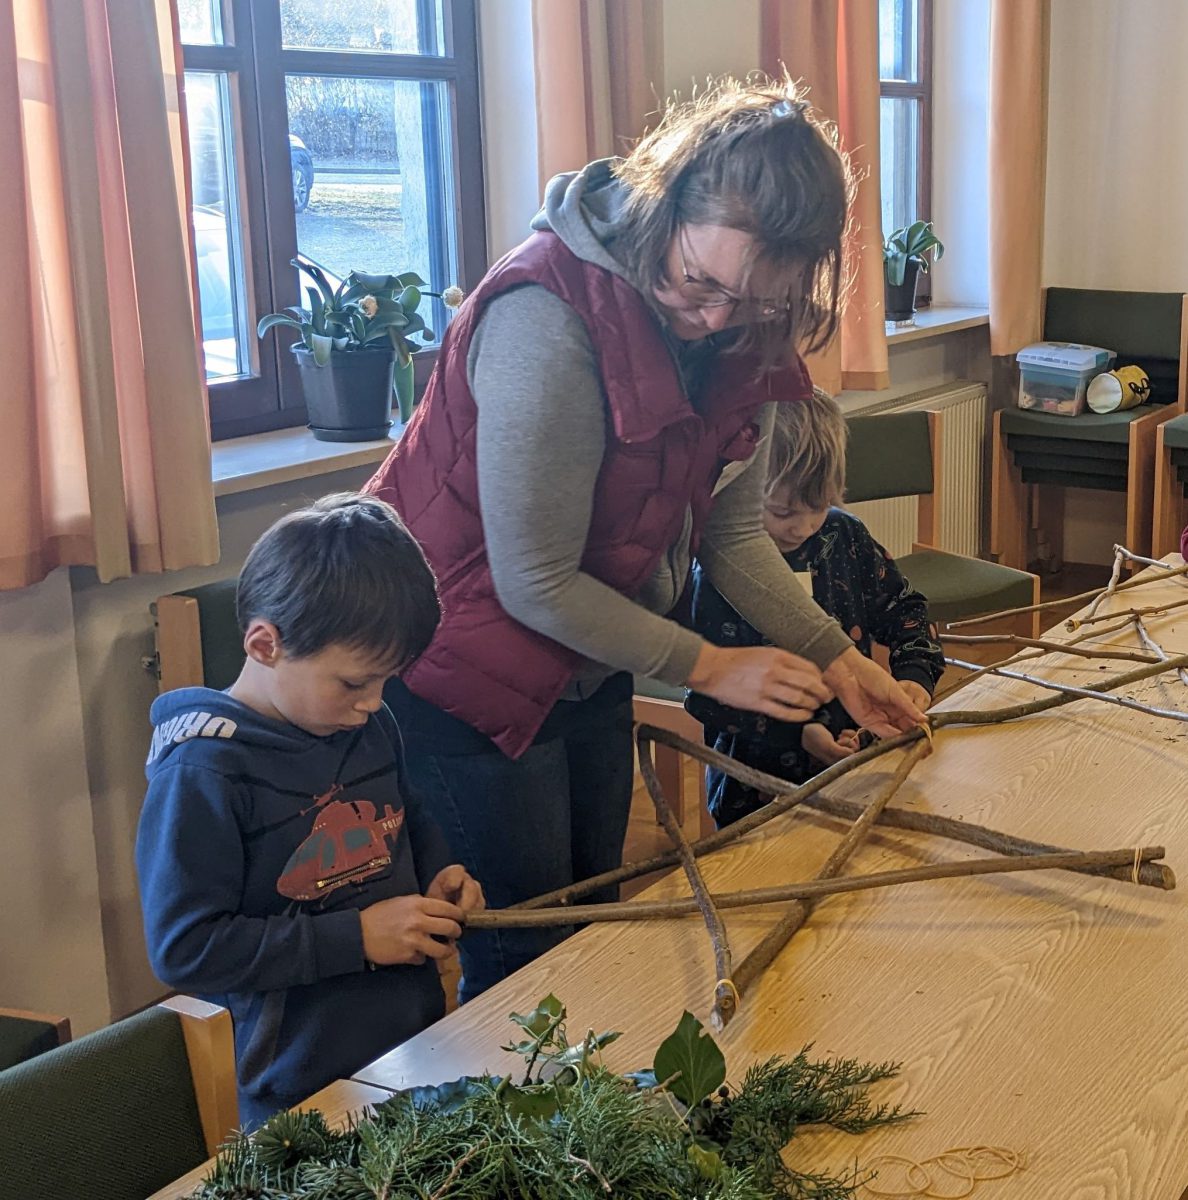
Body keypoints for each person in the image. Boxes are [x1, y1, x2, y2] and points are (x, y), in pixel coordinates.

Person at [365, 76, 925, 1003]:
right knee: (522, 959)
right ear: (664, 205)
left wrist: (838, 657)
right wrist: (709, 665)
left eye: (756, 301)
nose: (717, 318)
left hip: (586, 657)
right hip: (461, 665)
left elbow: (731, 531)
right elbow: (534, 579)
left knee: (588, 929)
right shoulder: (546, 319)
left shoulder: (740, 324)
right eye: (701, 284)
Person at [135, 494, 484, 1129]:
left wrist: (440, 872)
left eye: (386, 681)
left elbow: (406, 817)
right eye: (354, 683)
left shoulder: (366, 725)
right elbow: (186, 948)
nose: (373, 703)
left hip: (409, 1045)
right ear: (265, 644)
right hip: (294, 1086)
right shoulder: (203, 772)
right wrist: (358, 939)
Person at [687, 392, 945, 826]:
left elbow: (906, 611)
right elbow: (710, 696)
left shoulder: (845, 537)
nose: (803, 527)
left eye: (820, 508)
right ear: (742, 491)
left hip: (858, 771)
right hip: (753, 793)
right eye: (783, 511)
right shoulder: (719, 565)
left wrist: (914, 676)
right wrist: (799, 734)